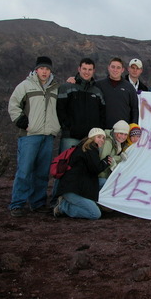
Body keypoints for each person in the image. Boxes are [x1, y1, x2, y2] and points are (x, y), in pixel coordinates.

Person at [8, 56, 60, 217]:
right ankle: (17, 204)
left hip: (48, 135)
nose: (44, 72)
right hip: (30, 135)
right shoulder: (25, 86)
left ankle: (37, 203)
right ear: (36, 69)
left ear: (50, 71)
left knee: (42, 172)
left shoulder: (55, 88)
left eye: (47, 69)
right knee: (24, 170)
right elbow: (13, 104)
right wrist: (21, 121)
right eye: (42, 68)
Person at [53, 57, 106, 206]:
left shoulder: (97, 91)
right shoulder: (67, 87)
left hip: (89, 139)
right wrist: (68, 127)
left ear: (93, 71)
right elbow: (60, 110)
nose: (87, 72)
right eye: (84, 69)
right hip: (71, 137)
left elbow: (102, 114)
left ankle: (81, 198)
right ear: (79, 69)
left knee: (86, 168)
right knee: (64, 168)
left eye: (90, 70)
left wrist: (98, 133)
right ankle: (56, 201)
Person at [53, 128, 112, 220]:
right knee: (95, 214)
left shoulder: (84, 148)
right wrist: (105, 162)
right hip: (72, 189)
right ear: (92, 138)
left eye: (103, 138)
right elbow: (95, 168)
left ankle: (87, 203)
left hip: (79, 185)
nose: (101, 140)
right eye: (99, 137)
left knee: (104, 182)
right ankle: (63, 206)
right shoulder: (90, 148)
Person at [96, 57, 139, 128]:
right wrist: (74, 80)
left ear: (122, 70)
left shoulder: (129, 87)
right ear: (108, 68)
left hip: (123, 132)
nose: (115, 70)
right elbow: (85, 86)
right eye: (113, 67)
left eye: (118, 67)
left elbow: (134, 110)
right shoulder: (99, 85)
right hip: (103, 130)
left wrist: (134, 127)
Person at [98, 120, 130, 189]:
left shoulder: (117, 143)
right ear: (115, 132)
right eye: (121, 133)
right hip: (101, 178)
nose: (123, 137)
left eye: (125, 134)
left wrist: (120, 156)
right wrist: (117, 159)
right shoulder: (108, 143)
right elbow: (102, 162)